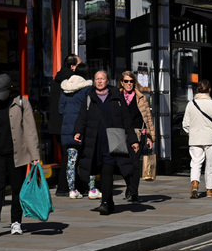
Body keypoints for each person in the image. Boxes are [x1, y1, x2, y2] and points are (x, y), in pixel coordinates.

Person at [0, 74, 40, 236]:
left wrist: (35, 155)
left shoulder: (22, 103)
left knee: (17, 188)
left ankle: (16, 222)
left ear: (10, 89)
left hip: (18, 153)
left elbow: (30, 131)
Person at [73, 71, 139, 215]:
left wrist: (133, 140)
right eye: (97, 79)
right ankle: (109, 201)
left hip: (112, 142)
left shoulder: (116, 97)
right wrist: (78, 131)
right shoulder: (89, 98)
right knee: (100, 173)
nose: (99, 81)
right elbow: (82, 117)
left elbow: (126, 120)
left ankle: (105, 202)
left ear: (108, 81)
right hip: (95, 142)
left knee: (107, 172)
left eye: (102, 79)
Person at [58, 63, 97, 199]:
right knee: (89, 158)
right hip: (83, 128)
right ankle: (91, 189)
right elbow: (90, 108)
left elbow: (60, 109)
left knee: (71, 160)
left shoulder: (65, 88)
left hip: (67, 128)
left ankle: (72, 190)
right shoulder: (87, 89)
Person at [182, 79, 212, 198]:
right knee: (210, 165)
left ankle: (194, 185)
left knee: (195, 163)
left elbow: (185, 124)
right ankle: (210, 190)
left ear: (197, 90)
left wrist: (192, 132)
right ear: (209, 90)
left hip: (195, 138)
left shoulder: (191, 104)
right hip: (210, 138)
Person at [121, 70, 156, 203]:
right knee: (123, 165)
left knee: (135, 164)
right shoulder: (117, 97)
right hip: (122, 136)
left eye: (131, 81)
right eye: (126, 81)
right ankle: (129, 186)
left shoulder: (141, 97)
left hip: (138, 135)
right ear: (121, 82)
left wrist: (150, 137)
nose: (129, 84)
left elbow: (148, 119)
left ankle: (133, 192)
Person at [49, 54, 79, 196]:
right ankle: (63, 187)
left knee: (66, 155)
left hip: (56, 124)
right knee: (69, 155)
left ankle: (68, 185)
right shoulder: (71, 81)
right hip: (66, 123)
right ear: (72, 66)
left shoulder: (56, 80)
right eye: (79, 64)